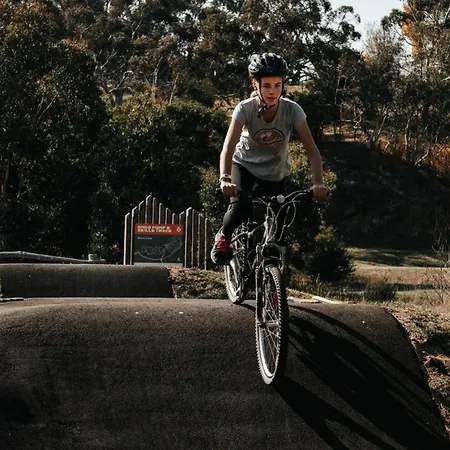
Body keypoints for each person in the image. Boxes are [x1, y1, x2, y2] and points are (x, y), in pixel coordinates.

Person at [210, 52, 327, 266]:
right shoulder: (245, 108)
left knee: (279, 224)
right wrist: (225, 178)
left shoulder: (293, 110)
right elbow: (228, 147)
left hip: (275, 172)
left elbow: (312, 150)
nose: (272, 91)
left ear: (283, 85)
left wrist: (318, 182)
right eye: (266, 86)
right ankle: (223, 238)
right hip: (244, 165)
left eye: (277, 85)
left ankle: (272, 276)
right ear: (255, 85)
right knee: (241, 208)